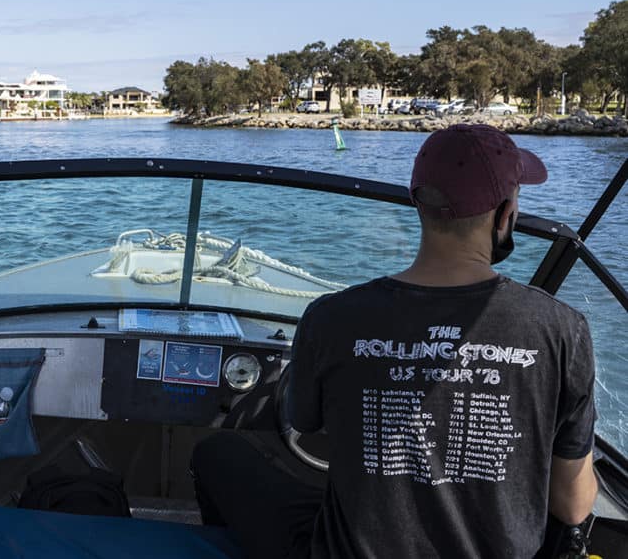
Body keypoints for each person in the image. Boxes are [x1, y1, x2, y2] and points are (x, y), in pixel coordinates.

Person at [192, 124, 597, 558]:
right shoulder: (562, 330)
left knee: (217, 453)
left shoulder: (331, 318)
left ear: (417, 203)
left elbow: (304, 422)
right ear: (505, 215)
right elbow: (573, 506)